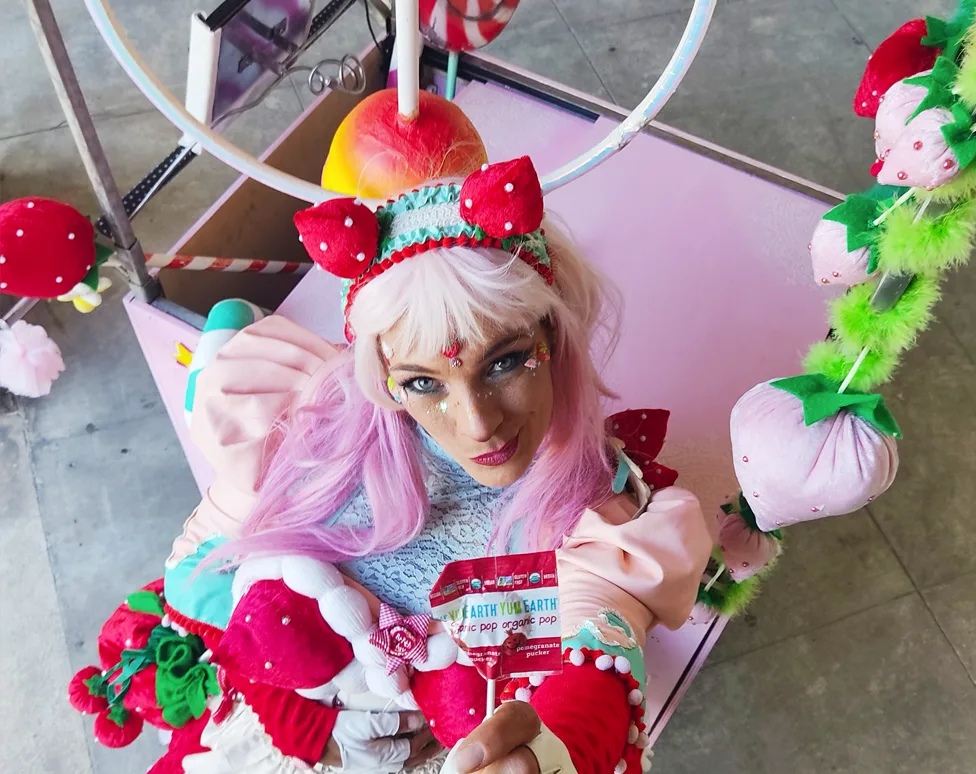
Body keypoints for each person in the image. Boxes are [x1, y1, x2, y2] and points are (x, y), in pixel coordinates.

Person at [74, 158, 714, 774]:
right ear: (383, 379)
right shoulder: (312, 424)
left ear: (554, 337)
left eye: (505, 361)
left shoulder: (596, 520)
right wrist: (303, 727)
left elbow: (594, 660)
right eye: (422, 383)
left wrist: (557, 751)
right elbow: (206, 579)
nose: (477, 422)